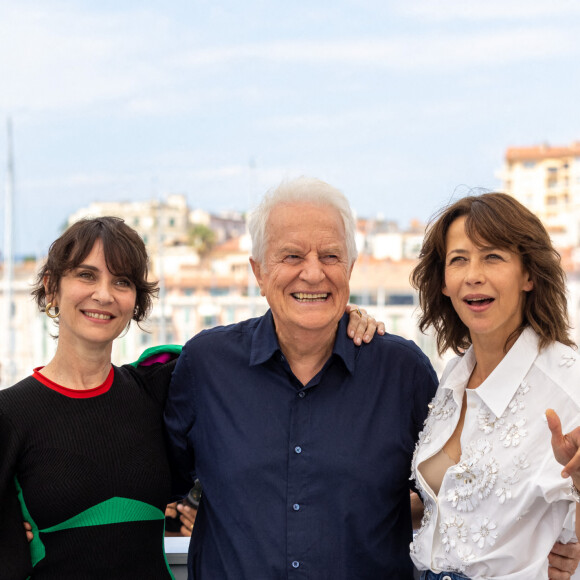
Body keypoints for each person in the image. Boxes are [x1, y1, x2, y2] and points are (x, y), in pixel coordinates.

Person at [0, 216, 377, 579]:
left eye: (122, 282)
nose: (104, 294)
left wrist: (340, 315)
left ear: (136, 300)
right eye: (86, 275)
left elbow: (259, 353)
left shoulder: (160, 386)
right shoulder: (11, 414)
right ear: (51, 287)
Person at [164, 176, 439, 579]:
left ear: (350, 268)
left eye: (329, 256)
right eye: (291, 256)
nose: (312, 274)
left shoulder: (402, 372)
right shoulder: (206, 365)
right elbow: (149, 477)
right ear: (258, 272)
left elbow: (453, 500)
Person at [409, 192, 580, 579]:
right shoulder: (453, 375)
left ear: (529, 275)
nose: (473, 274)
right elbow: (448, 509)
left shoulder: (569, 383)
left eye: (493, 256)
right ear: (444, 284)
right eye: (458, 260)